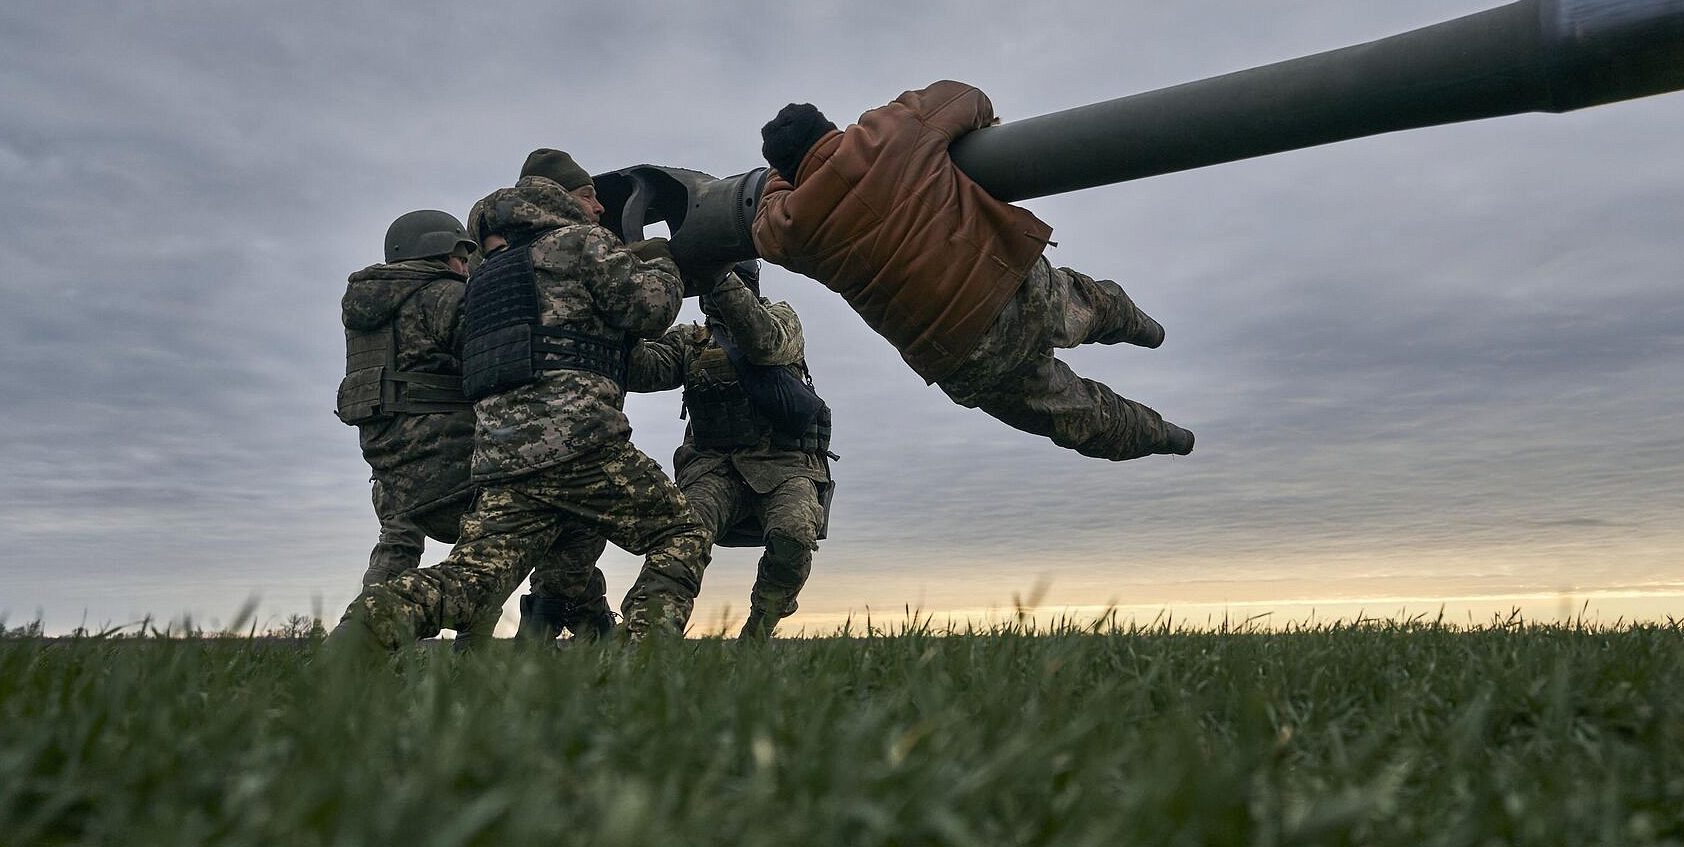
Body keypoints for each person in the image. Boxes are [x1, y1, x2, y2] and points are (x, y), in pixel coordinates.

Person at [324, 152, 709, 657]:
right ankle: (645, 660)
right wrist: (662, 264)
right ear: (563, 198)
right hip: (581, 445)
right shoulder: (581, 243)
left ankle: (368, 628)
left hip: (500, 462)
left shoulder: (486, 278)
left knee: (470, 580)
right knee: (682, 531)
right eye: (590, 195)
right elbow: (652, 310)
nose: (598, 209)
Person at [753, 81, 1193, 462]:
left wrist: (776, 179)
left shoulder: (792, 226)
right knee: (1093, 303)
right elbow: (970, 98)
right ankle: (1148, 330)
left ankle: (1169, 438)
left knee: (1081, 417)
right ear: (829, 127)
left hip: (965, 355)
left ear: (788, 171)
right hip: (1015, 286)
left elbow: (763, 226)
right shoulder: (892, 128)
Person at [335, 208, 614, 644]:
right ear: (436, 253)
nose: (466, 267)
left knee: (396, 547)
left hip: (393, 473)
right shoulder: (440, 297)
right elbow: (498, 353)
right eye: (461, 257)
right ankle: (551, 635)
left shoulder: (367, 314)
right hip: (454, 469)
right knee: (561, 513)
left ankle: (363, 639)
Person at [628, 260, 833, 640]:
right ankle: (647, 636)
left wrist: (717, 271)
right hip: (713, 467)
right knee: (681, 536)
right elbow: (643, 370)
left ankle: (761, 625)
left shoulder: (782, 318)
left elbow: (763, 343)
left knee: (794, 533)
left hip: (783, 466)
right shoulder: (690, 341)